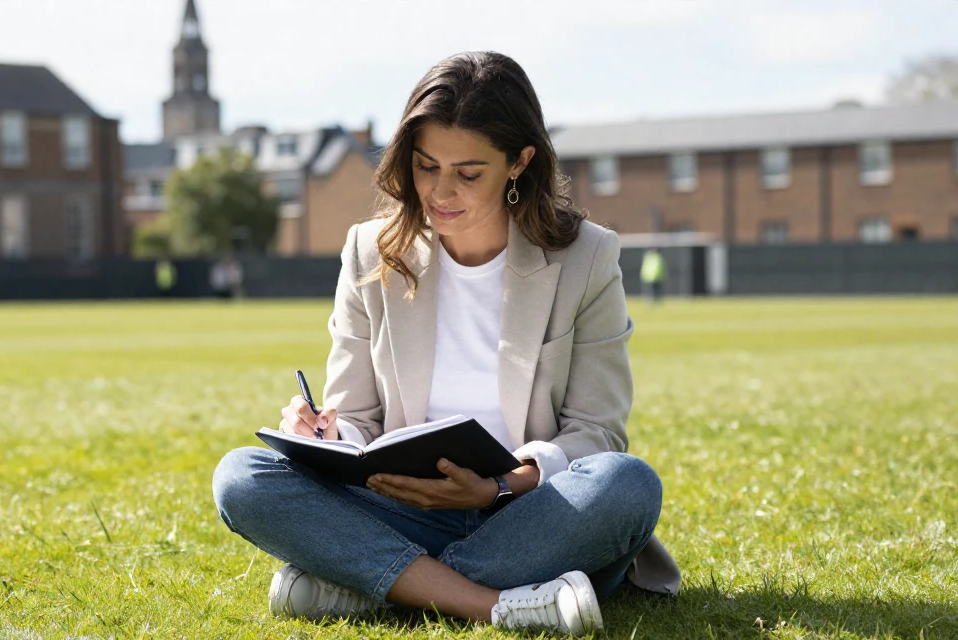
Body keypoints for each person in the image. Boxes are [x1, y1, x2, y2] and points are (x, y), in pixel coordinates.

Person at [212, 51, 680, 635]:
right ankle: (495, 603)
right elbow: (356, 418)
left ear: (519, 162)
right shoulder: (370, 250)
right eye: (426, 166)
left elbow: (596, 431)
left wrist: (501, 485)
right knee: (241, 476)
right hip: (401, 509)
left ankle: (380, 583)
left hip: (531, 514)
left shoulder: (586, 257)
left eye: (468, 172)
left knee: (627, 484)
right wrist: (326, 433)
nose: (439, 191)